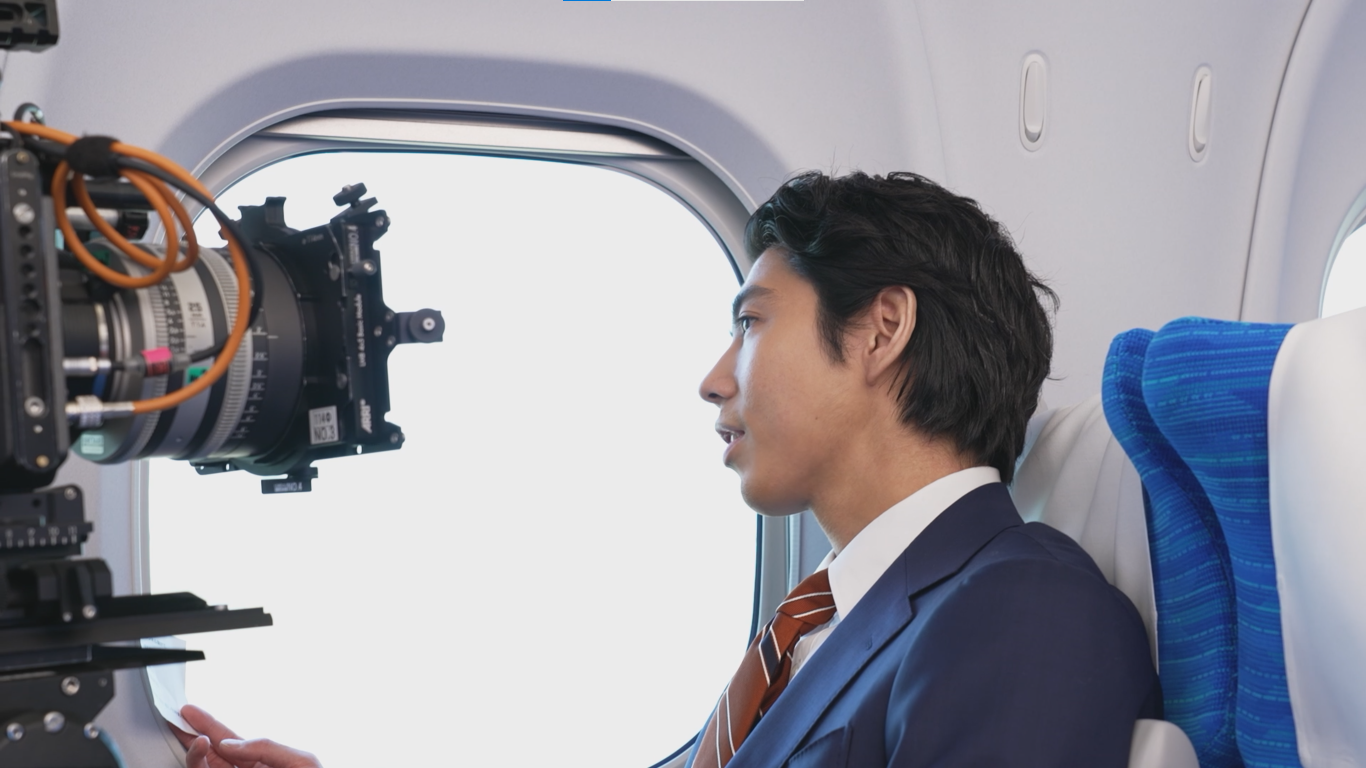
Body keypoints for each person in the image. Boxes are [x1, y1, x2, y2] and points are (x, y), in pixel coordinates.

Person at [176, 171, 1159, 768]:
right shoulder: (816, 627)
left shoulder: (1024, 608)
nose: (713, 379)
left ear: (879, 330)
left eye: (751, 323)